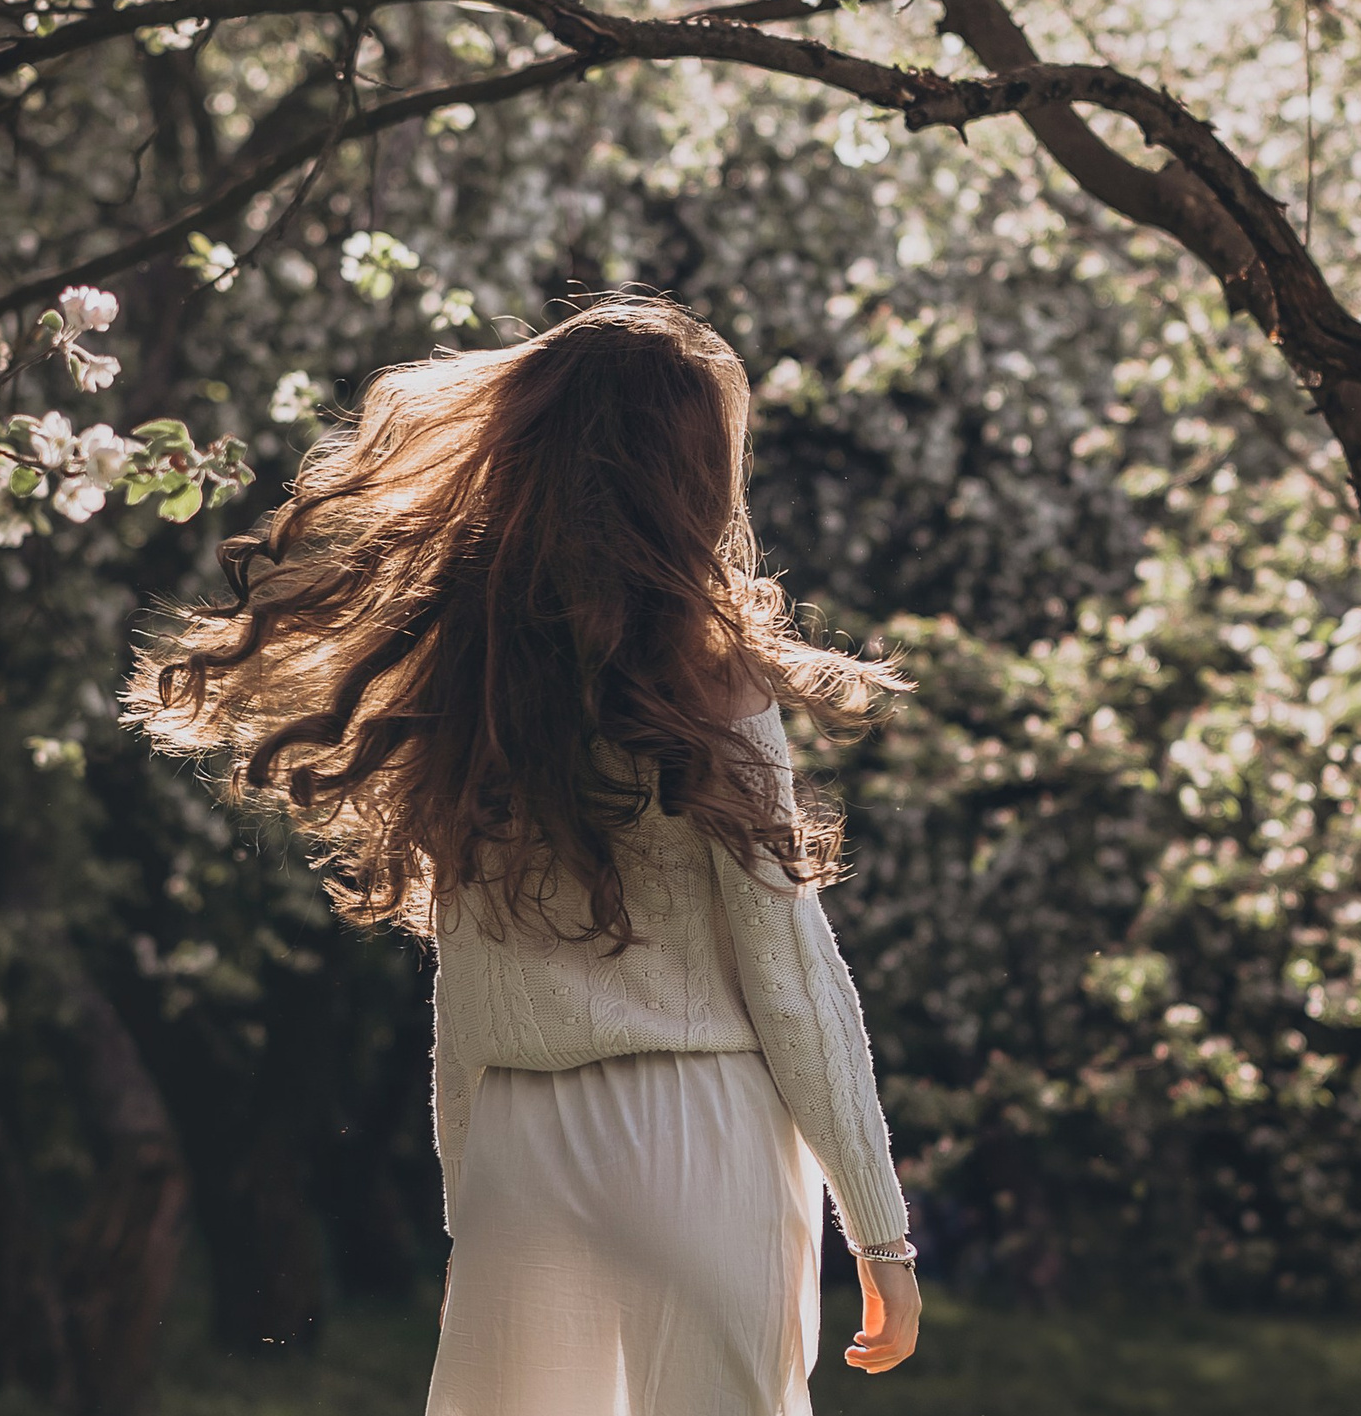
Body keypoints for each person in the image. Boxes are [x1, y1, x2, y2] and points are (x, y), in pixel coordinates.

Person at [125, 294, 921, 1412]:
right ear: (686, 474)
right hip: (702, 1134)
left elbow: (468, 965)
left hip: (524, 1153)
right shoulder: (708, 674)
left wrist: (475, 1186)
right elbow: (792, 974)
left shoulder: (475, 673)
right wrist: (879, 1228)